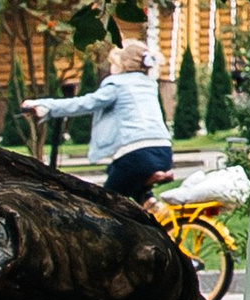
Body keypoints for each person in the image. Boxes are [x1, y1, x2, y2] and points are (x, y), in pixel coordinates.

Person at [25, 43, 174, 206]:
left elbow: (85, 103)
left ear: (121, 64)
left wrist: (45, 106)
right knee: (121, 174)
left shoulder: (117, 84)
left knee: (105, 204)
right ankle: (149, 201)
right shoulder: (148, 84)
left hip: (136, 154)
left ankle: (128, 212)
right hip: (164, 152)